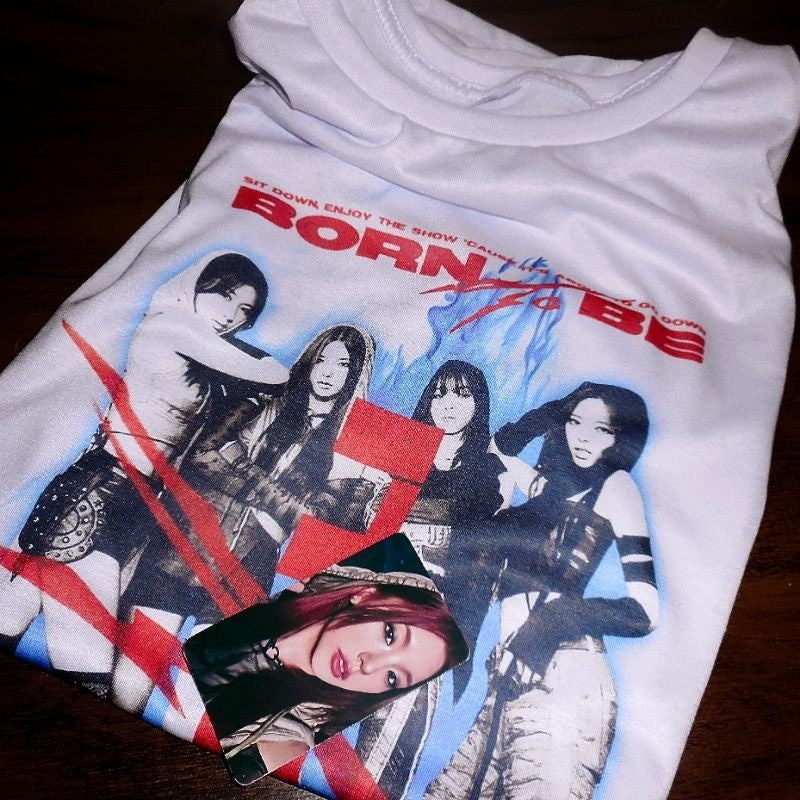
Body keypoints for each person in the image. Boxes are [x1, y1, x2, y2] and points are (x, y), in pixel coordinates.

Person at [0, 251, 287, 697]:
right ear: (197, 286)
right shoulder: (171, 326)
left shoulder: (201, 352)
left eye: (244, 310)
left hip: (125, 499)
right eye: (224, 295)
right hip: (102, 490)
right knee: (88, 663)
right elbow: (273, 373)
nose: (231, 315)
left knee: (13, 616)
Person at [428, 382, 658, 800]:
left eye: (602, 429)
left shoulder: (616, 486)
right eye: (575, 423)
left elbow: (645, 612)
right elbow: (499, 447)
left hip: (565, 672)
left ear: (620, 439)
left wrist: (548, 624)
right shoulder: (545, 489)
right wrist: (560, 408)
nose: (583, 437)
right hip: (508, 673)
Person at [352, 360, 506, 796]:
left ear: (478, 405)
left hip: (424, 613)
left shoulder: (486, 473)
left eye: (462, 394)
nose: (448, 404)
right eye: (440, 393)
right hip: (360, 597)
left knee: (385, 744)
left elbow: (477, 565)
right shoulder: (398, 453)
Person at [183, 568, 468, 785]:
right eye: (390, 635)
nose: (369, 667)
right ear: (366, 595)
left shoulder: (286, 743)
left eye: (393, 678)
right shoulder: (276, 574)